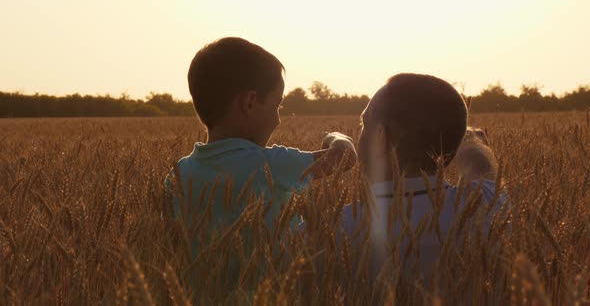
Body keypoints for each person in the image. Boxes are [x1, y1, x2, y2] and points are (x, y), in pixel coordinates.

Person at [166, 37, 357, 241]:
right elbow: (344, 157)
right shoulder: (269, 165)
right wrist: (334, 136)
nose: (278, 120)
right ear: (249, 102)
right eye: (277, 106)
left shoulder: (177, 176)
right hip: (275, 274)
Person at [338, 73, 509, 284]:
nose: (359, 136)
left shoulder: (333, 228)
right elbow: (481, 166)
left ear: (382, 137)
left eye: (365, 124)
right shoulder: (487, 207)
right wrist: (469, 138)